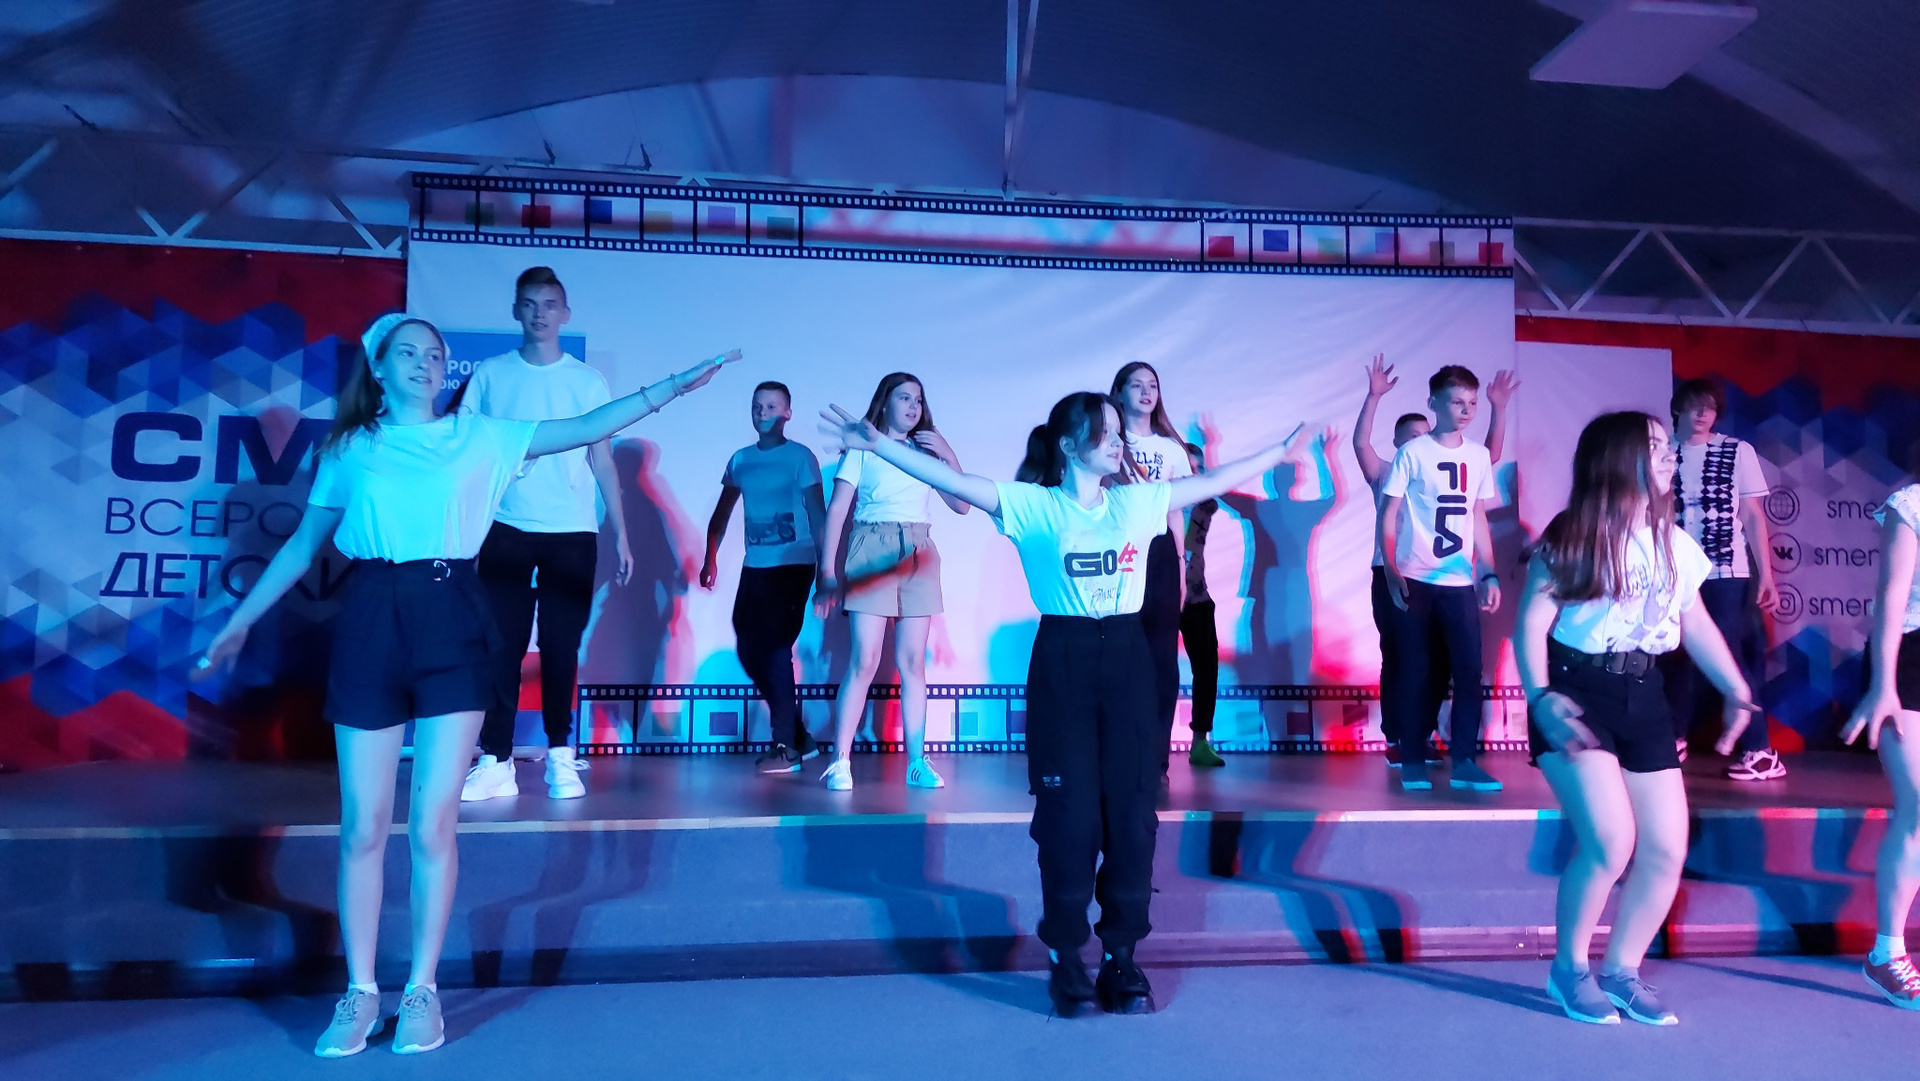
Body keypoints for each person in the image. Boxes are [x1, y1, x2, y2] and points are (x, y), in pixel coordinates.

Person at [194, 313, 734, 1057]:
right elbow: (301, 546)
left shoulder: (480, 435)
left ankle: (422, 989)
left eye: (435, 353)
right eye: (407, 353)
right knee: (362, 825)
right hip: (372, 618)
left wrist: (672, 387)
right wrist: (241, 621)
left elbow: (585, 426)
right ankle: (360, 990)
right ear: (378, 367)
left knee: (432, 823)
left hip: (453, 618)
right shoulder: (350, 448)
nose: (424, 362)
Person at [818, 391, 1314, 1016]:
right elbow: (954, 482)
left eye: (1118, 432)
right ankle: (1066, 955)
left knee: (1132, 818)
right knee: (1069, 819)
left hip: (1128, 661)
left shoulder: (1136, 501)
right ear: (1070, 446)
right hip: (1064, 662)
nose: (1118, 441)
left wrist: (1277, 452)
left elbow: (1211, 480)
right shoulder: (1034, 505)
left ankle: (1121, 956)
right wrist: (878, 446)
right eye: (1104, 432)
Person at [1515, 411, 1755, 1026]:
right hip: (1575, 691)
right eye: (1654, 445)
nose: (1669, 453)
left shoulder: (1675, 542)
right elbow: (1532, 623)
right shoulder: (1573, 534)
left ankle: (1622, 969)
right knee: (1610, 840)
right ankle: (1569, 970)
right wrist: (1540, 697)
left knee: (1668, 848)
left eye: (1666, 444)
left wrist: (1735, 689)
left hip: (1644, 693)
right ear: (1618, 459)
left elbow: (1695, 622)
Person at [459, 267, 633, 804]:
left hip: (571, 532)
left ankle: (560, 754)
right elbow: (465, 453)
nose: (539, 313)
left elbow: (602, 459)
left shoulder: (587, 381)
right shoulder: (490, 375)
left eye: (549, 304)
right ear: (516, 310)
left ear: (565, 313)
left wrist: (621, 534)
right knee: (502, 647)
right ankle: (496, 759)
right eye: (530, 303)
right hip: (505, 529)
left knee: (561, 647)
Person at [1353, 354, 1515, 769]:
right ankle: (1401, 740)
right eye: (1457, 402)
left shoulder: (1462, 457)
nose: (1465, 411)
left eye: (1471, 404)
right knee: (1404, 657)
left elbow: (1482, 477)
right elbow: (1362, 447)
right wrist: (1374, 397)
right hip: (1398, 571)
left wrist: (1488, 571)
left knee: (1450, 663)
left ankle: (1437, 745)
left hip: (1450, 577)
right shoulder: (1396, 465)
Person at [815, 372, 968, 791]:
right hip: (872, 545)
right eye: (904, 398)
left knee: (912, 662)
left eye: (918, 399)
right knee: (864, 659)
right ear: (885, 402)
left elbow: (961, 506)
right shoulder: (863, 446)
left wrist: (948, 455)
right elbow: (838, 509)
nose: (914, 406)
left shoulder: (924, 453)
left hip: (919, 548)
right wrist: (827, 571)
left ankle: (917, 761)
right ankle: (840, 760)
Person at [699, 381, 828, 774]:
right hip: (756, 565)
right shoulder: (740, 460)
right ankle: (798, 737)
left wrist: (827, 572)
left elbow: (818, 515)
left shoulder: (800, 457)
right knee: (747, 647)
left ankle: (785, 747)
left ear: (788, 413)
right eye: (757, 406)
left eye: (772, 406)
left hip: (794, 562)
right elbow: (721, 514)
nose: (762, 413)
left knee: (774, 647)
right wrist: (710, 557)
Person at [1664, 377, 1786, 780]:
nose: (1703, 414)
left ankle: (1760, 750)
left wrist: (1766, 575)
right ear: (1678, 408)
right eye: (1695, 405)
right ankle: (1673, 736)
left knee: (1728, 655)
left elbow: (1752, 515)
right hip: (1673, 568)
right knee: (1672, 653)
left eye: (1711, 407)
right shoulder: (1662, 451)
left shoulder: (1737, 450)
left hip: (1725, 569)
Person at [1843, 480, 1920, 1008]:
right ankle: (1886, 955)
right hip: (1910, 656)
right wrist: (1883, 683)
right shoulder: (1911, 504)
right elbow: (1891, 594)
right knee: (1918, 808)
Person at [1111, 362, 1203, 769]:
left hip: (1161, 552)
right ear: (1119, 392)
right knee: (1121, 651)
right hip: (1117, 550)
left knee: (1162, 655)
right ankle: (1120, 754)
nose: (1146, 392)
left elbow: (1174, 511)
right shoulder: (1108, 442)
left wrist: (1181, 563)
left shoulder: (1171, 448)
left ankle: (1156, 760)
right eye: (1136, 385)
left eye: (1152, 385)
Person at [1180, 442, 1222, 766]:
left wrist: (1209, 446)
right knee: (1156, 670)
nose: (1195, 475)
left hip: (1195, 594)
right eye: (1188, 469)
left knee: (1207, 667)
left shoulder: (1204, 505)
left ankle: (1200, 740)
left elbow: (1213, 491)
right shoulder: (1156, 503)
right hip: (1162, 594)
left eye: (1200, 469)